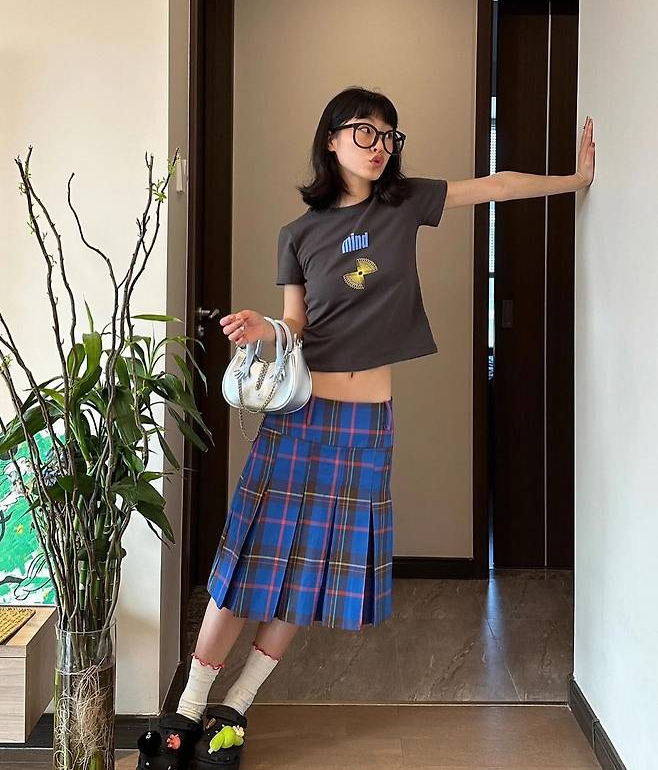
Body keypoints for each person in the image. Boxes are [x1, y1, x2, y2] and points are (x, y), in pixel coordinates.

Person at [135, 87, 595, 769]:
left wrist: (575, 180)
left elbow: (494, 185)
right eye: (364, 131)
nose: (379, 146)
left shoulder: (404, 205)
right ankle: (187, 708)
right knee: (249, 560)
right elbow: (296, 325)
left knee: (311, 571)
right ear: (331, 138)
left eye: (388, 135)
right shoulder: (298, 234)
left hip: (366, 426)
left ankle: (236, 707)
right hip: (300, 418)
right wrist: (265, 327)